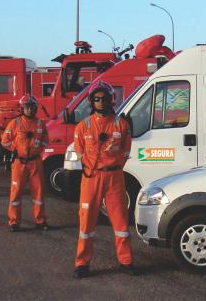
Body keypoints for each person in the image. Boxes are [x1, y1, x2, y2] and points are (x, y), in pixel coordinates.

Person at [72, 81, 135, 279]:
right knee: (86, 223)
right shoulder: (83, 126)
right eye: (97, 99)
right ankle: (82, 263)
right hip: (92, 178)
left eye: (104, 98)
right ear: (92, 102)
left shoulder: (122, 125)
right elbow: (80, 152)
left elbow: (126, 152)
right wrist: (96, 169)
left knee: (121, 222)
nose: (101, 102)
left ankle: (126, 261)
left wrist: (113, 168)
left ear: (111, 100)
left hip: (115, 177)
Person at [1, 94, 49, 232]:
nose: (29, 109)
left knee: (39, 193)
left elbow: (46, 140)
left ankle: (40, 220)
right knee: (15, 193)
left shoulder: (40, 123)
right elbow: (5, 141)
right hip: (19, 163)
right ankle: (14, 221)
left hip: (35, 162)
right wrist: (15, 149)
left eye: (32, 107)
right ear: (22, 108)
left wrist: (37, 147)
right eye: (26, 107)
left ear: (35, 108)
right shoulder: (15, 123)